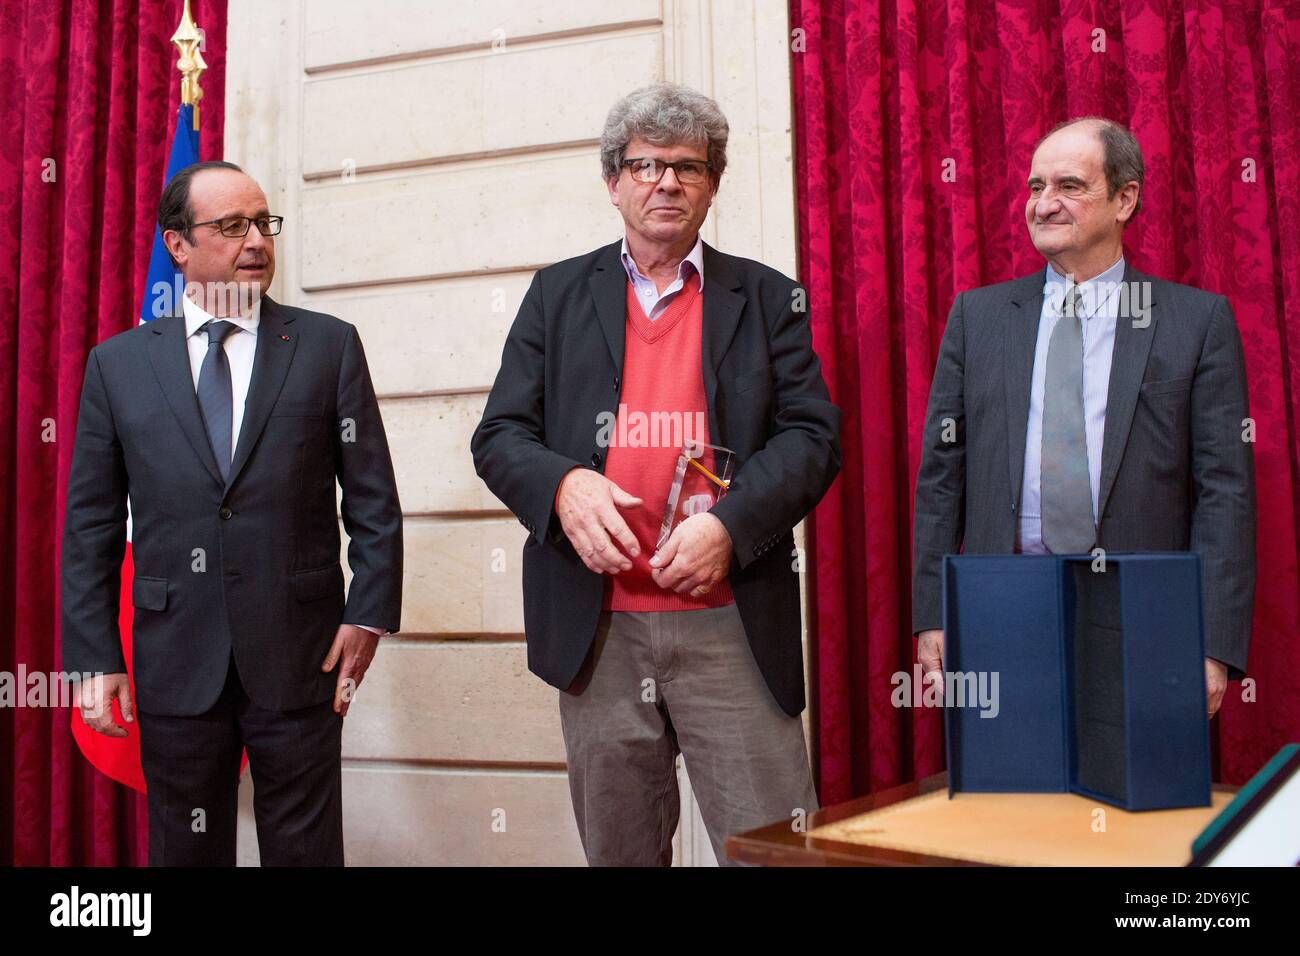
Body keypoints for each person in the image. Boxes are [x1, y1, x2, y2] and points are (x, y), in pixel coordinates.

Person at [472, 83, 841, 865]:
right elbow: (500, 436)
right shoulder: (556, 294)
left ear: (713, 183)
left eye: (688, 167)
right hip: (597, 626)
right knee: (623, 854)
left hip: (730, 620)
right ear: (614, 182)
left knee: (779, 851)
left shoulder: (771, 298)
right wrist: (564, 486)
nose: (666, 182)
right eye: (645, 165)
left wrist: (730, 528)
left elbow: (813, 438)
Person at [61, 160, 403, 865]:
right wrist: (95, 658)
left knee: (305, 852)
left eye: (263, 223)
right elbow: (90, 528)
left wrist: (367, 613)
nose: (256, 241)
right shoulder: (117, 366)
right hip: (174, 659)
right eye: (231, 226)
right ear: (178, 245)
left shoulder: (327, 346)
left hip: (300, 654)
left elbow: (373, 501)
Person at [912, 117, 1255, 716]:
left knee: (1137, 802)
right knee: (1012, 803)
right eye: (1034, 186)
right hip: (1003, 610)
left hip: (1145, 615)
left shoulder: (1195, 322)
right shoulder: (978, 318)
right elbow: (942, 478)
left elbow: (1225, 492)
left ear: (1125, 199)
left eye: (1068, 186)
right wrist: (934, 615)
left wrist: (1210, 642)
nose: (1044, 204)